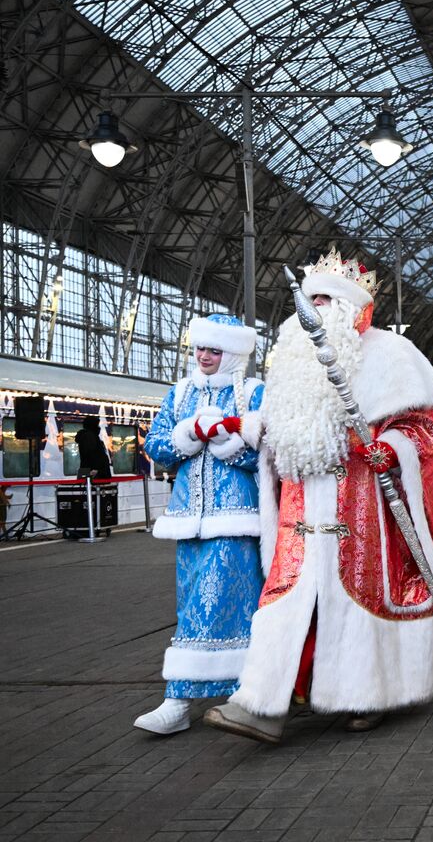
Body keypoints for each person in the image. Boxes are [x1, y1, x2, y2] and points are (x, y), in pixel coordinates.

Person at [203, 250, 433, 743]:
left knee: (356, 599)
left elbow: (421, 430)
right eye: (309, 298)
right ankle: (263, 703)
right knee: (291, 601)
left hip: (363, 512)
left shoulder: (391, 355)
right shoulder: (292, 360)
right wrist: (253, 431)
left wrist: (390, 446)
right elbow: (278, 428)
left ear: (352, 307)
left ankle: (371, 695)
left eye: (325, 298)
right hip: (301, 509)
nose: (314, 306)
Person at [135, 314, 264, 735]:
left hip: (237, 520)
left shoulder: (253, 394)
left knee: (220, 605)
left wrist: (231, 445)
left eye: (214, 350)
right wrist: (186, 433)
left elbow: (273, 458)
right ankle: (237, 692)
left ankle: (180, 699)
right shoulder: (180, 393)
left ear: (233, 354)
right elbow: (155, 448)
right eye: (200, 349)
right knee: (192, 601)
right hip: (187, 520)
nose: (205, 356)